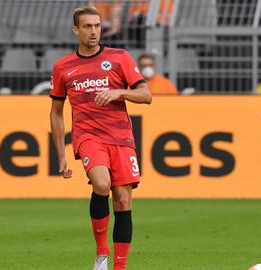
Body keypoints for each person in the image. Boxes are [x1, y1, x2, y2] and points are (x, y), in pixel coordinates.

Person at [49, 6, 152, 270]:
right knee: (102, 184)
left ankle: (118, 267)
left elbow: (146, 96)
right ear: (76, 30)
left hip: (121, 137)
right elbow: (57, 113)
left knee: (123, 200)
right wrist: (61, 155)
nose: (94, 31)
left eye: (97, 26)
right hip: (88, 136)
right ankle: (101, 254)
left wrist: (119, 93)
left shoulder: (120, 58)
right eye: (87, 26)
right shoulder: (63, 67)